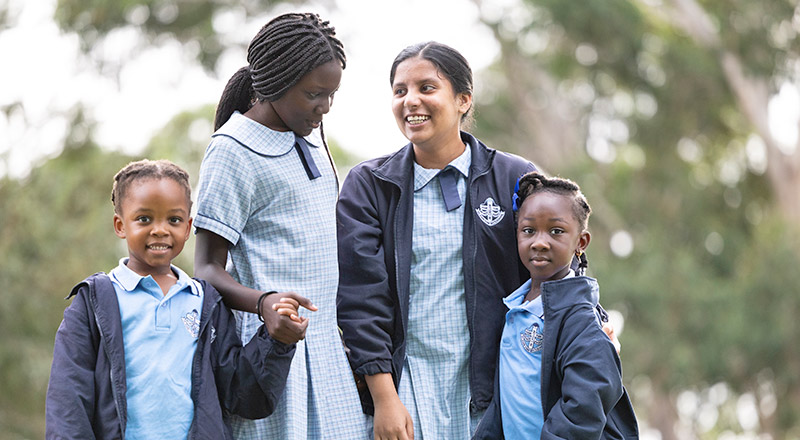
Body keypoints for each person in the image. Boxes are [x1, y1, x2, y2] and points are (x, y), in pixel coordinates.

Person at [336, 41, 538, 440]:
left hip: (498, 391)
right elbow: (361, 298)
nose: (411, 101)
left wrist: (591, 323)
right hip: (407, 392)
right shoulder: (370, 186)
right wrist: (385, 399)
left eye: (427, 88)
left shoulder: (514, 177)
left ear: (463, 99)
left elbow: (553, 269)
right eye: (400, 91)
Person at [193, 12, 368, 439]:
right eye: (313, 94)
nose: (324, 107)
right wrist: (264, 303)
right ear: (275, 83)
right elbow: (207, 268)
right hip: (273, 352)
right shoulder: (232, 150)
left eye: (331, 95)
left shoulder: (310, 138)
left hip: (327, 351)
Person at [45, 159, 302, 439]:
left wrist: (278, 342)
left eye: (174, 220)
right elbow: (68, 398)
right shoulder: (95, 301)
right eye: (144, 219)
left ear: (188, 226)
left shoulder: (207, 302)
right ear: (120, 225)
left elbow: (242, 394)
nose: (160, 230)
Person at [473, 171, 638, 439]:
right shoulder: (514, 309)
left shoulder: (581, 319)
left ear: (580, 243)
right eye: (528, 230)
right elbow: (505, 402)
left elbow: (585, 404)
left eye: (556, 231)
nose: (539, 242)